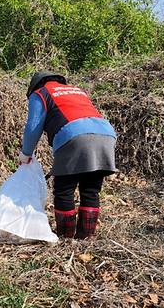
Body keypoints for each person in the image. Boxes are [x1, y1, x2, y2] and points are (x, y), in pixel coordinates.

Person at [19, 71, 117, 239]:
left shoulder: (40, 93)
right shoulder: (77, 90)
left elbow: (33, 126)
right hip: (106, 135)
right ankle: (85, 237)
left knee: (64, 189)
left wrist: (26, 153)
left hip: (74, 136)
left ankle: (66, 237)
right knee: (90, 190)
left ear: (35, 85)